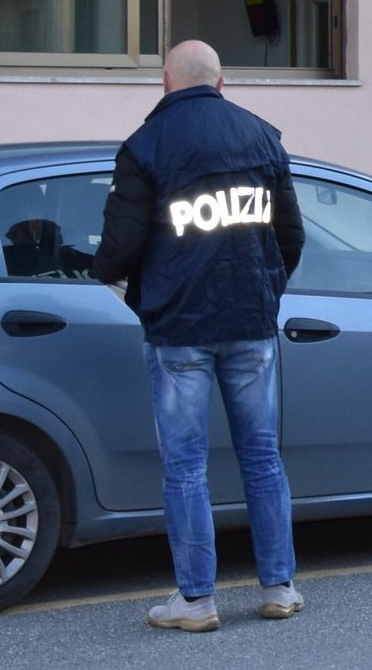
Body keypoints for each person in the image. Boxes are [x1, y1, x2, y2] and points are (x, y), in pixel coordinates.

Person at [93, 40, 306, 632]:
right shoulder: (264, 137)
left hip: (179, 328)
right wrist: (264, 291)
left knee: (186, 466)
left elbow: (122, 244)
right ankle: (279, 587)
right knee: (262, 457)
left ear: (166, 81)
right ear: (221, 81)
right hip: (250, 324)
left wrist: (110, 279)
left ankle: (195, 601)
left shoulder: (145, 145)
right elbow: (291, 236)